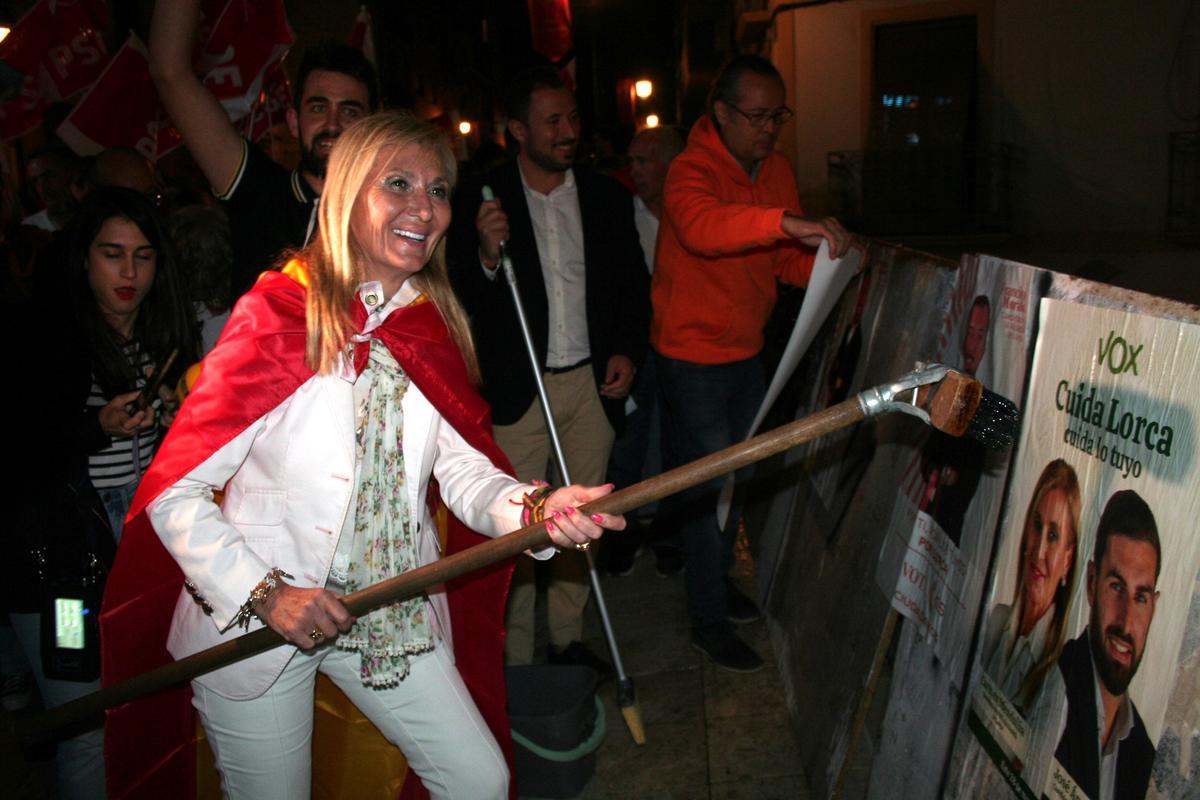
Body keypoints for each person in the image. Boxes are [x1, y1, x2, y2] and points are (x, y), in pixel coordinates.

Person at [102, 111, 624, 800]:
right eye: (399, 183)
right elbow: (176, 493)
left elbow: (461, 470)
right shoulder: (278, 312)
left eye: (439, 191)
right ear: (348, 193)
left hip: (388, 604)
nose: (425, 208)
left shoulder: (426, 323)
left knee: (478, 779)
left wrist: (536, 508)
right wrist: (267, 595)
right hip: (263, 622)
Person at [650, 54, 851, 672]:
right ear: (722, 114)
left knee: (734, 482)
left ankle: (712, 581)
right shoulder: (690, 170)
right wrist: (786, 221)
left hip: (748, 353)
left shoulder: (778, 170)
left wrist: (830, 261)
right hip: (692, 359)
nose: (768, 128)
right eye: (756, 116)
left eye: (777, 116)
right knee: (704, 486)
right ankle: (706, 621)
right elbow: (705, 228)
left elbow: (781, 262)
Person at [448, 67, 649, 674]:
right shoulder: (481, 201)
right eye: (552, 121)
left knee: (579, 520)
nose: (568, 132)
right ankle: (512, 655)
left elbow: (634, 288)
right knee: (516, 528)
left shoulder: (606, 197)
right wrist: (486, 256)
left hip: (591, 386)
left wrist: (626, 350)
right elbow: (460, 296)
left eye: (572, 119)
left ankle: (567, 638)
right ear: (516, 130)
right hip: (519, 391)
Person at [149, 0, 379, 301]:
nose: (332, 123)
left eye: (349, 111)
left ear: (373, 127)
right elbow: (170, 72)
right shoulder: (258, 189)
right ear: (294, 122)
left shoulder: (395, 211)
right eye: (318, 107)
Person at [75, 188, 197, 540]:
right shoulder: (57, 340)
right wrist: (99, 425)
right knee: (75, 600)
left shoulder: (163, 334)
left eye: (143, 257)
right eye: (113, 255)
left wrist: (174, 415)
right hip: (85, 518)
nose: (129, 272)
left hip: (152, 504)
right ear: (85, 257)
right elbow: (30, 439)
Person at [606, 125, 684, 577]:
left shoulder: (689, 216)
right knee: (627, 444)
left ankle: (671, 535)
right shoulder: (625, 215)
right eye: (630, 160)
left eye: (643, 161)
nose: (633, 170)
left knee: (680, 445)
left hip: (682, 347)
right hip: (638, 349)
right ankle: (624, 530)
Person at [1051, 490, 1160, 800]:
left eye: (1141, 597)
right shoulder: (1048, 683)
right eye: (1116, 586)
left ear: (1154, 606)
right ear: (1090, 583)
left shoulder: (1144, 757)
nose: (1126, 623)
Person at [979, 459, 1080, 711]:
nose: (1039, 551)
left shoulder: (1059, 677)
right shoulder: (995, 620)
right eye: (1037, 526)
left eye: (1054, 536)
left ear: (1068, 560)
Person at [918, 294, 991, 545]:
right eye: (969, 332)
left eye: (980, 335)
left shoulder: (988, 406)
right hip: (930, 512)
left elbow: (975, 466)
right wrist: (933, 469)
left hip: (948, 526)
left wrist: (954, 476)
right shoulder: (954, 384)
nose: (972, 343)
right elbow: (932, 445)